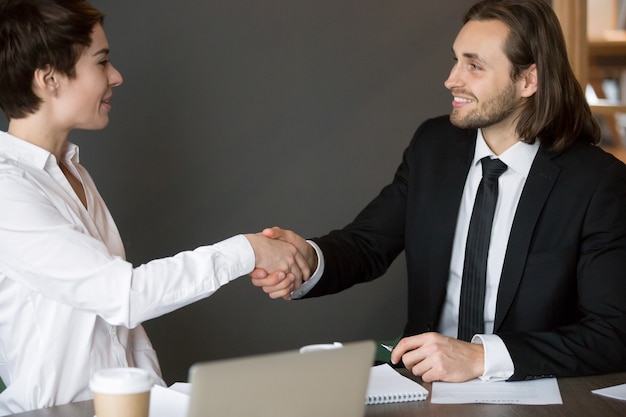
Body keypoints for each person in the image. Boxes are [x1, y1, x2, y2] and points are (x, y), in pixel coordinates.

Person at [251, 0, 626, 384]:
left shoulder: (598, 183)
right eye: (456, 60)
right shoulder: (433, 147)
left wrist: (481, 358)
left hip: (530, 393)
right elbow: (366, 244)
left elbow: (614, 333)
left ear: (529, 80)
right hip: (420, 386)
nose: (451, 79)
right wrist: (306, 261)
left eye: (474, 65)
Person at [0, 0, 306, 414]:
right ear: (49, 78)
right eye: (101, 61)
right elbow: (122, 295)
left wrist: (157, 397)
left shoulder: (70, 170)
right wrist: (247, 250)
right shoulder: (7, 188)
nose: (116, 76)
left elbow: (117, 329)